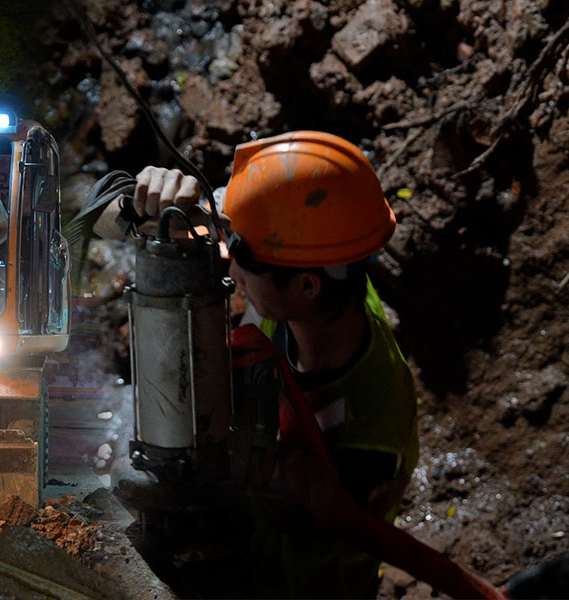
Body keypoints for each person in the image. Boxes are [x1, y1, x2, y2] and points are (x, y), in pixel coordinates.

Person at [103, 131, 420, 598]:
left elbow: (272, 511)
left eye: (246, 256)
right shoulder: (330, 280)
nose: (232, 268)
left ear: (307, 287)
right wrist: (144, 203)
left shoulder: (369, 428)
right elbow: (92, 213)